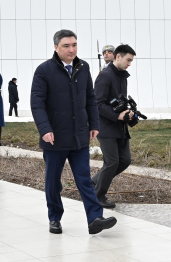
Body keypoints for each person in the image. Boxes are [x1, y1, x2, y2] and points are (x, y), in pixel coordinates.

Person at [30, 29, 117, 236]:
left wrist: (94, 124)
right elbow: (37, 103)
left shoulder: (83, 67)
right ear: (56, 47)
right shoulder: (44, 70)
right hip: (55, 138)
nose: (71, 49)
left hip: (79, 136)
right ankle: (54, 218)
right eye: (66, 46)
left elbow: (90, 98)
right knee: (53, 182)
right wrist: (45, 129)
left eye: (74, 45)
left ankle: (95, 218)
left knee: (84, 179)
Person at [92, 44, 137, 209]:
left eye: (131, 61)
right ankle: (97, 196)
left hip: (119, 127)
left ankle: (94, 182)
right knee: (112, 162)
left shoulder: (122, 77)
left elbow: (120, 101)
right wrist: (117, 115)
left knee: (124, 160)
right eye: (128, 60)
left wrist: (128, 113)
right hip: (105, 127)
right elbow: (97, 104)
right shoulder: (105, 76)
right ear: (118, 57)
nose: (130, 64)